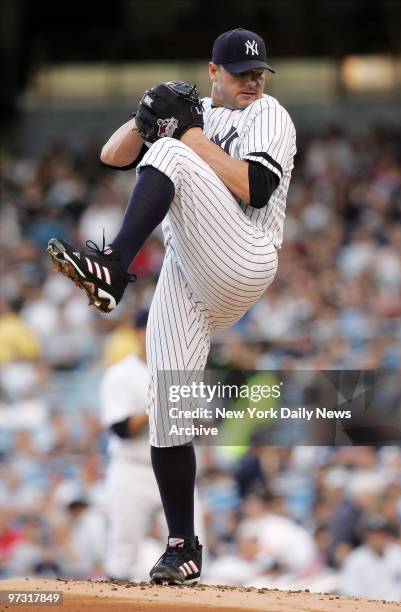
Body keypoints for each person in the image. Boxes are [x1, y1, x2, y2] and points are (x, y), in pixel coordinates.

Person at [47, 27, 296, 585]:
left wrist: (182, 133)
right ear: (214, 71)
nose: (252, 81)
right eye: (240, 72)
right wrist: (147, 111)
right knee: (168, 410)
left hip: (246, 256)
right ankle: (183, 547)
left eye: (258, 72)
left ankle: (113, 267)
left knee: (170, 151)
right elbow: (112, 156)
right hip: (190, 279)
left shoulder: (270, 116)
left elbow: (255, 186)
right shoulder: (195, 111)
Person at [100, 310, 204, 581]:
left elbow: (200, 424)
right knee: (123, 554)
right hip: (131, 471)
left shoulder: (181, 373)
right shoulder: (120, 374)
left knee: (193, 550)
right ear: (137, 334)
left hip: (178, 470)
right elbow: (121, 429)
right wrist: (158, 403)